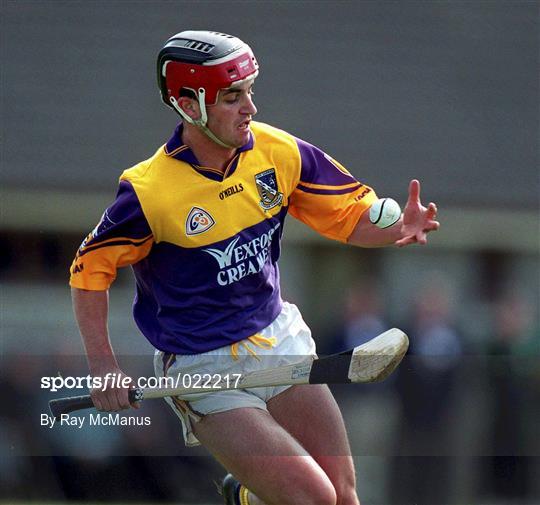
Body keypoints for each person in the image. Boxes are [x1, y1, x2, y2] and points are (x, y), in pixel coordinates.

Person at [69, 30, 440, 505]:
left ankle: (250, 497)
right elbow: (88, 273)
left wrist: (394, 228)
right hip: (202, 368)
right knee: (313, 499)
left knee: (343, 495)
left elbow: (347, 216)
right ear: (189, 105)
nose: (250, 108)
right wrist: (103, 367)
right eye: (231, 97)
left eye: (249, 92)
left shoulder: (276, 152)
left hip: (277, 341)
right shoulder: (148, 193)